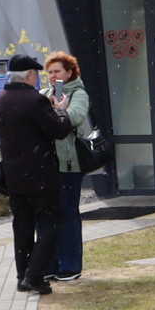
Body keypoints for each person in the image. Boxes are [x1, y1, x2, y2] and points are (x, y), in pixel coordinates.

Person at [0, 52, 68, 293]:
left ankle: (22, 275)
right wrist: (61, 110)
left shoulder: (0, 100)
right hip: (41, 174)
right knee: (51, 224)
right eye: (36, 74)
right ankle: (34, 275)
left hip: (14, 176)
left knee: (22, 226)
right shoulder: (35, 100)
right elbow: (59, 130)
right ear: (31, 75)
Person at [41, 50, 97, 279]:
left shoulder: (78, 93)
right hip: (44, 166)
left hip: (68, 164)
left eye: (57, 71)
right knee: (46, 216)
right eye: (49, 72)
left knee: (67, 214)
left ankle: (70, 266)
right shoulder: (43, 94)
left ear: (70, 72)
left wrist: (60, 110)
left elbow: (74, 117)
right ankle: (49, 265)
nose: (53, 76)